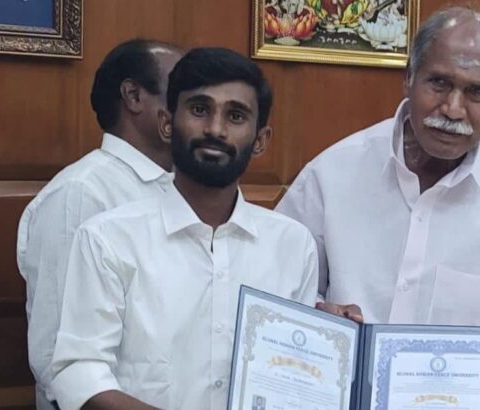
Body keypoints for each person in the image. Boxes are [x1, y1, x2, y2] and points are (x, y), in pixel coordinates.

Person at [276, 6, 480, 410]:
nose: (453, 109)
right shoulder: (333, 173)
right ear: (409, 78)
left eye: (476, 92)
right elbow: (277, 282)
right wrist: (318, 314)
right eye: (439, 83)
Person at [50, 47, 318, 410]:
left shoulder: (292, 245)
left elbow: (298, 375)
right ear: (166, 123)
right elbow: (79, 372)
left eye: (236, 116)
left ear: (260, 140)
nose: (216, 130)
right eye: (199, 109)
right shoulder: (108, 240)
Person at [16, 39, 183, 410]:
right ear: (134, 96)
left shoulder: (182, 190)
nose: (197, 111)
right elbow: (57, 358)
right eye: (183, 92)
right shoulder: (82, 194)